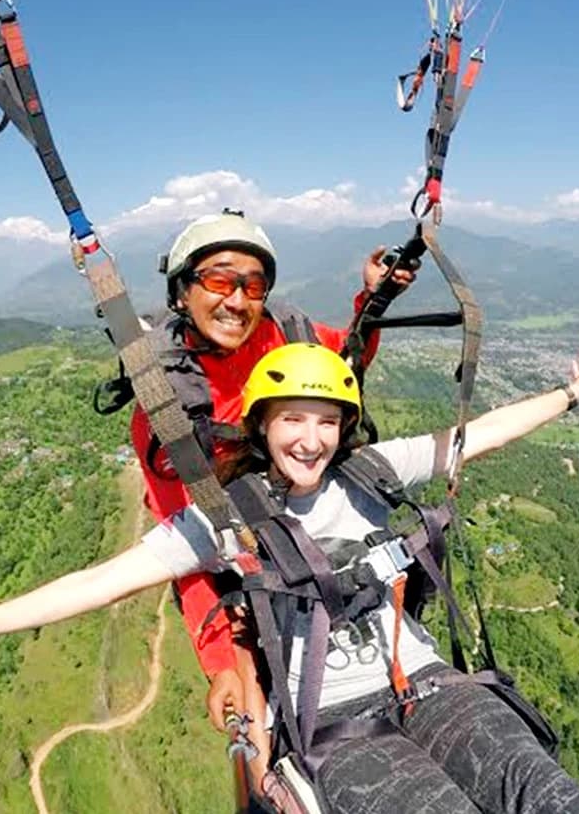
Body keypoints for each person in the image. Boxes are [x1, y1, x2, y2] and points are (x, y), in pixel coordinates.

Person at [0, 339, 579, 813]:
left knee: (546, 794)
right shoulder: (224, 520)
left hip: (427, 683)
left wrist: (573, 394)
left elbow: (480, 435)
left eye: (327, 422)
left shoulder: (371, 471)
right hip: (333, 727)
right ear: (262, 425)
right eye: (292, 421)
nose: (311, 439)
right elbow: (100, 582)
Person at [129, 208, 412, 730]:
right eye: (219, 281)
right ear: (182, 292)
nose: (237, 301)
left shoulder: (284, 337)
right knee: (263, 725)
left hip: (300, 522)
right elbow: (185, 543)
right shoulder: (168, 407)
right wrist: (220, 662)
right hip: (235, 549)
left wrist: (374, 299)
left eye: (253, 286)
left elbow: (344, 364)